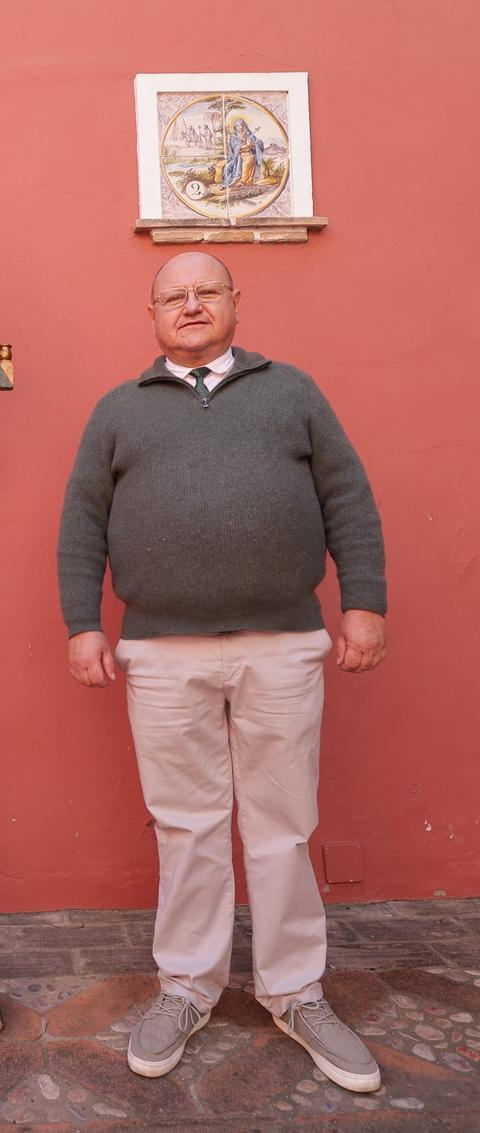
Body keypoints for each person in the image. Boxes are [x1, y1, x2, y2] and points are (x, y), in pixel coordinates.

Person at [56, 252, 388, 1093]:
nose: (192, 304)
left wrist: (364, 602)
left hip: (282, 643)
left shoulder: (294, 393)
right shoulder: (118, 411)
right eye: (174, 295)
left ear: (237, 302)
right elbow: (81, 521)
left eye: (208, 291)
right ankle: (186, 987)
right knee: (187, 823)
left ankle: (295, 990)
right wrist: (83, 624)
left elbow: (348, 495)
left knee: (282, 821)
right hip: (162, 653)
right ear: (153, 313)